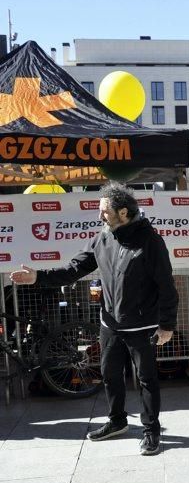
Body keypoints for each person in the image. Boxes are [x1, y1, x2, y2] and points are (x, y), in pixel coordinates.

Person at [9, 183, 178, 455]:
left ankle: (151, 431)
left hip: (143, 324)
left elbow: (166, 286)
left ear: (123, 212)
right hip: (110, 323)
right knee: (110, 375)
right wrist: (39, 277)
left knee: (146, 380)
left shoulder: (150, 241)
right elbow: (73, 269)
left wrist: (167, 324)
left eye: (104, 211)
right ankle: (117, 421)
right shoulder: (102, 238)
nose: (100, 216)